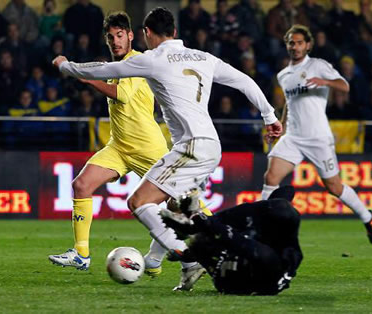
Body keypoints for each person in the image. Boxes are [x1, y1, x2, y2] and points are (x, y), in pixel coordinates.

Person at [53, 7, 282, 291]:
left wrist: (66, 66)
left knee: (139, 203)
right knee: (182, 208)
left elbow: (102, 69)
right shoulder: (203, 57)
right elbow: (244, 81)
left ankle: (189, 257)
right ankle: (190, 262)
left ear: (146, 33)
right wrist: (270, 116)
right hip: (211, 146)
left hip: (190, 147)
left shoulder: (152, 60)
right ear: (174, 31)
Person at [48, 12, 171, 277]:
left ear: (130, 35)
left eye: (120, 35)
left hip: (147, 147)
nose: (115, 41)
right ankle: (81, 254)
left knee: (182, 202)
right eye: (110, 37)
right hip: (119, 147)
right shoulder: (115, 66)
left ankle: (200, 249)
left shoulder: (137, 61)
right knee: (81, 184)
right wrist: (78, 69)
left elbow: (123, 96)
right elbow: (100, 73)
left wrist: (87, 79)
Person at [261, 25, 372, 244]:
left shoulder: (318, 65)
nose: (295, 46)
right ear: (287, 45)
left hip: (317, 138)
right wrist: (281, 125)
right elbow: (289, 102)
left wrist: (325, 82)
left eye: (299, 42)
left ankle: (366, 216)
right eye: (291, 42)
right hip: (294, 138)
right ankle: (260, 225)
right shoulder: (284, 75)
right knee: (271, 177)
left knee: (333, 186)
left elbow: (344, 86)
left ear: (308, 45)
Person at [160, 186, 302, 295]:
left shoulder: (273, 251)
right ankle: (198, 223)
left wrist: (197, 221)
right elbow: (287, 190)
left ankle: (197, 221)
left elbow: (234, 239)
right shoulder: (273, 229)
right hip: (242, 273)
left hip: (237, 280)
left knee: (218, 237)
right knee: (237, 227)